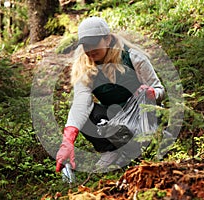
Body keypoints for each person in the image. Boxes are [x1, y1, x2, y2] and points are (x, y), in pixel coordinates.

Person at [56, 16, 165, 172]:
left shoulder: (133, 57)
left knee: (144, 95)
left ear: (107, 39)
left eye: (94, 44)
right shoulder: (85, 68)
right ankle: (111, 151)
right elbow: (80, 104)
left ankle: (144, 146)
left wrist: (152, 93)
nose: (90, 50)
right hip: (116, 119)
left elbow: (159, 89)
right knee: (86, 112)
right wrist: (67, 141)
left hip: (142, 116)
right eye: (86, 45)